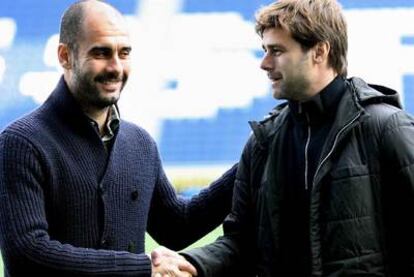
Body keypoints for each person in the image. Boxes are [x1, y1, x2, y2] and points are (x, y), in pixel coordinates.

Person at [154, 0, 414, 276]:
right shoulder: (262, 141)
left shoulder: (386, 128)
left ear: (319, 51)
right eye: (265, 50)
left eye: (276, 51)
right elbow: (240, 242)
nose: (264, 64)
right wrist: (192, 263)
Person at [0, 0, 237, 276]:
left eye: (124, 53)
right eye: (101, 53)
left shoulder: (140, 143)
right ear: (65, 56)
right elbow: (27, 253)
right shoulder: (21, 143)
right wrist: (141, 268)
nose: (115, 67)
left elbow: (177, 227)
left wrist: (254, 157)